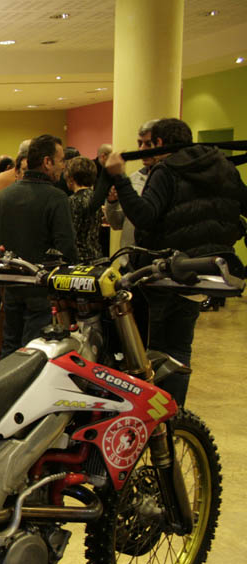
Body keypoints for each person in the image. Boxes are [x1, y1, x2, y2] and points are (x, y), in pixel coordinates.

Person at [103, 117, 247, 405]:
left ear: (159, 143)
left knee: (155, 350)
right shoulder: (224, 167)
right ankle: (174, 412)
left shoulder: (166, 171)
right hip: (204, 272)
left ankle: (157, 414)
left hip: (166, 273)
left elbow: (144, 216)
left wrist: (119, 178)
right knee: (180, 348)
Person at [0, 134, 77, 357]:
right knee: (33, 350)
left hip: (10, 286)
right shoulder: (56, 198)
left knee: (10, 345)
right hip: (41, 288)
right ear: (47, 162)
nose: (63, 167)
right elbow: (66, 247)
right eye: (61, 161)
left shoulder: (4, 197)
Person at [105, 119, 159, 252]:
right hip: (128, 258)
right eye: (140, 143)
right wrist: (112, 202)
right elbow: (117, 223)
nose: (142, 149)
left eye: (148, 144)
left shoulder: (167, 181)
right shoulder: (133, 179)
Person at [66, 156, 101, 261]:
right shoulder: (96, 198)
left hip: (78, 258)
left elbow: (71, 234)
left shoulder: (72, 201)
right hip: (95, 255)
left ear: (71, 178)